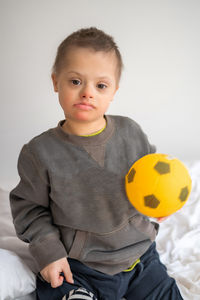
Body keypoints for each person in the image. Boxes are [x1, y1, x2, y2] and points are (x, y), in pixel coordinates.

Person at [10, 27, 183, 300]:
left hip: (139, 256)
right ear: (56, 82)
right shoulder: (40, 152)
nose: (87, 93)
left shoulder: (131, 132)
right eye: (76, 81)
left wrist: (160, 203)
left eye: (100, 85)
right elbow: (30, 211)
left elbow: (153, 175)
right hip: (81, 266)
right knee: (59, 290)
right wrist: (50, 254)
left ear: (113, 90)